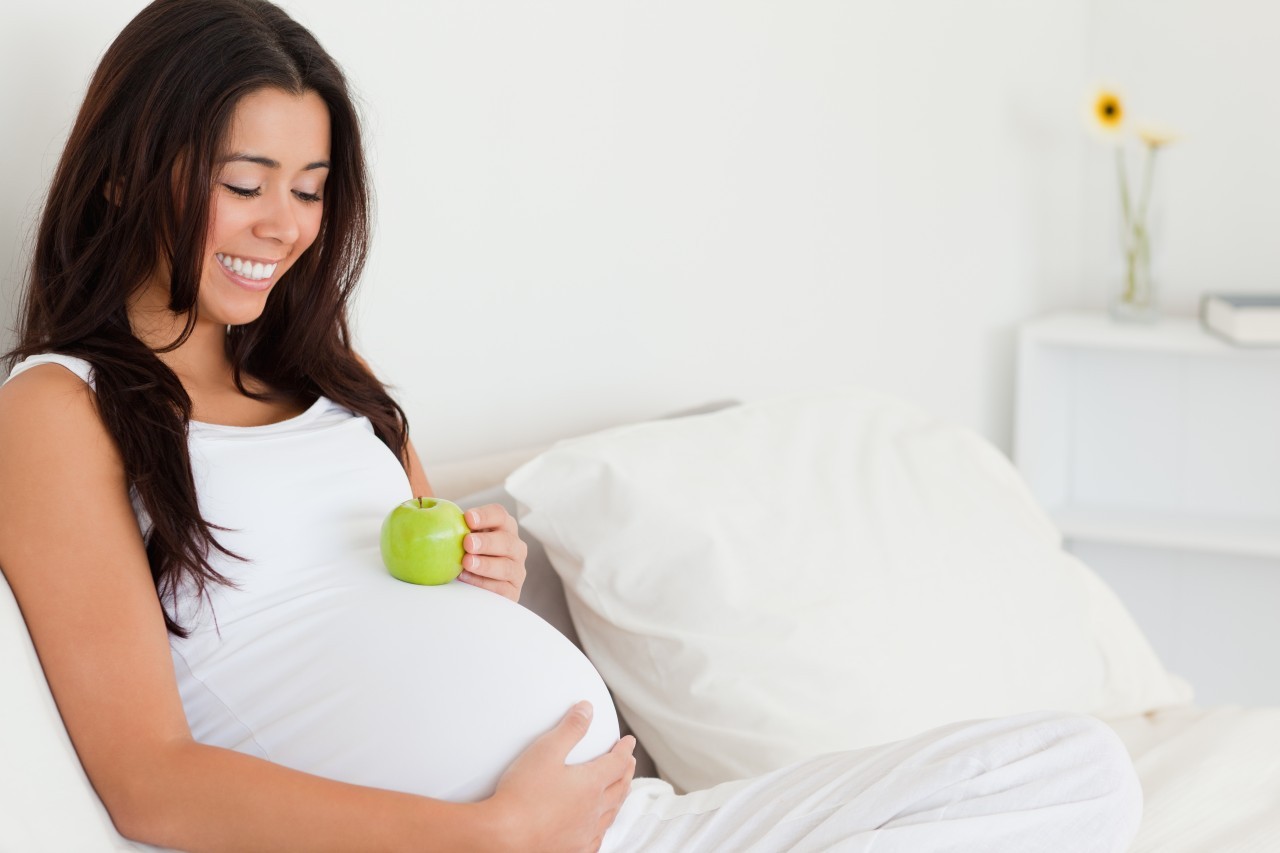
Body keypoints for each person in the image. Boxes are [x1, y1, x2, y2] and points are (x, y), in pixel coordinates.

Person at [0, 1, 1143, 851]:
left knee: (1079, 767)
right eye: (245, 182)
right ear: (123, 173)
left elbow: (386, 603)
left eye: (309, 187)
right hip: (475, 842)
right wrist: (485, 833)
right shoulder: (62, 407)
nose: (284, 225)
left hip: (621, 825)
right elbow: (145, 776)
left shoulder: (328, 377)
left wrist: (477, 573)